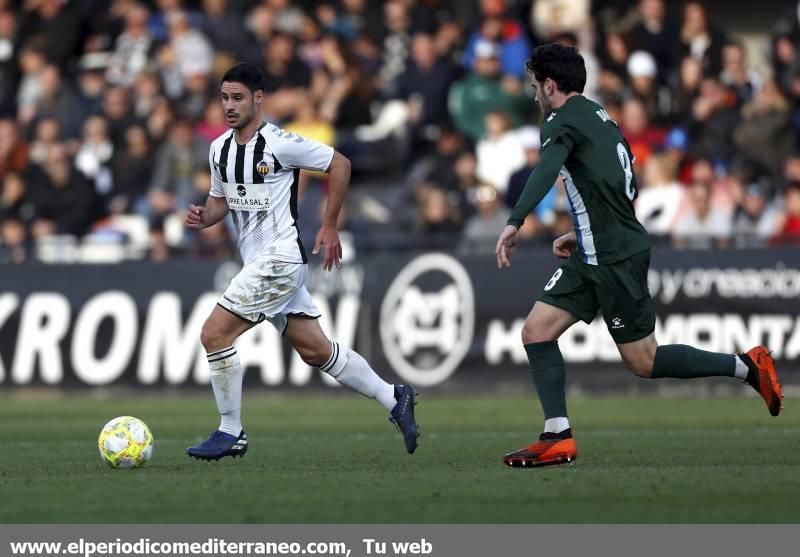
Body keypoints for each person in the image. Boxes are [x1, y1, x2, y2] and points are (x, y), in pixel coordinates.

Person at [494, 44, 783, 468]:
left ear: (550, 85)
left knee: (643, 361)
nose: (534, 94)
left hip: (613, 258)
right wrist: (582, 230)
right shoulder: (598, 117)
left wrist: (516, 220)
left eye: (536, 85)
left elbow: (546, 168)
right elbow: (621, 183)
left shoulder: (559, 119)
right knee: (536, 332)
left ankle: (747, 366)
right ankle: (557, 434)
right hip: (596, 249)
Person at [184, 63, 419, 460]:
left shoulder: (279, 143)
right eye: (224, 97)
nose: (229, 105)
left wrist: (329, 226)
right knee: (316, 351)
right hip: (257, 262)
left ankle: (231, 430)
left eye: (238, 97)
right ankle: (394, 397)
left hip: (280, 259)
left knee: (214, 334)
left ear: (259, 99)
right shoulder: (218, 150)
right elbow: (219, 202)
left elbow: (339, 163)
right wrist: (203, 217)